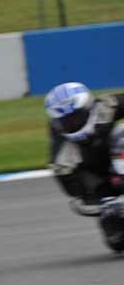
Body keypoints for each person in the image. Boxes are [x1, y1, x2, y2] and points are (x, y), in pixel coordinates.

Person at [45, 82, 124, 212]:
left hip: (117, 153)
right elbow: (73, 190)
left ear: (89, 108)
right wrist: (94, 195)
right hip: (99, 179)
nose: (72, 124)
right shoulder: (62, 152)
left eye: (76, 117)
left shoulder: (106, 106)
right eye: (66, 121)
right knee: (111, 219)